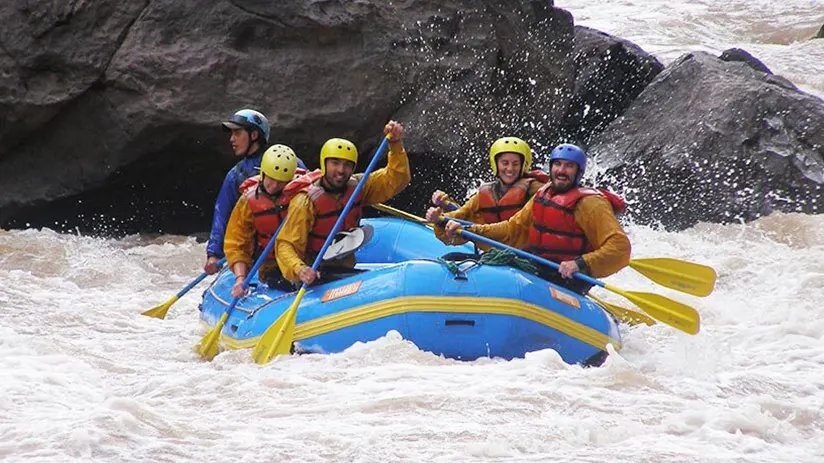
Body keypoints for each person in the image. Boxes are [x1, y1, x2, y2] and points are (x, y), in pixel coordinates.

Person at [444, 143, 630, 294]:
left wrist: (579, 263)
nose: (561, 171)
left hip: (569, 277)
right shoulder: (543, 194)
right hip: (537, 264)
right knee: (453, 258)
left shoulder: (591, 204)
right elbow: (511, 228)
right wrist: (469, 231)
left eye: (569, 166)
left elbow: (619, 246)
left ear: (578, 171)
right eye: (557, 164)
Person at [276, 121, 411, 286]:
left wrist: (395, 145)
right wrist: (300, 269)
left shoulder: (358, 186)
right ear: (324, 163)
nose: (341, 170)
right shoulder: (305, 202)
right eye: (335, 163)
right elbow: (285, 245)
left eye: (347, 165)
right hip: (314, 273)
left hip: (343, 269)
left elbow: (397, 179)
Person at [204, 109, 306, 275]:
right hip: (259, 254)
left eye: (237, 133)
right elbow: (222, 214)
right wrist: (214, 254)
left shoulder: (287, 161)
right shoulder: (235, 176)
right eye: (232, 134)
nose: (232, 139)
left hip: (293, 246)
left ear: (254, 135)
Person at [424, 137, 547, 250]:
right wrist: (440, 220)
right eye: (505, 163)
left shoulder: (537, 192)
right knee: (451, 257)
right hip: (498, 255)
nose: (510, 169)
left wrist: (470, 230)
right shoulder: (487, 192)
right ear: (496, 164)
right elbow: (462, 214)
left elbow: (512, 228)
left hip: (527, 257)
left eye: (515, 164)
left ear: (523, 166)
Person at [223, 144, 307, 297]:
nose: (274, 186)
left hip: (305, 260)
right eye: (271, 179)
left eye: (281, 182)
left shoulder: (303, 194)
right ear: (262, 173)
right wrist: (240, 279)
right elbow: (237, 244)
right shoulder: (248, 201)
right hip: (272, 267)